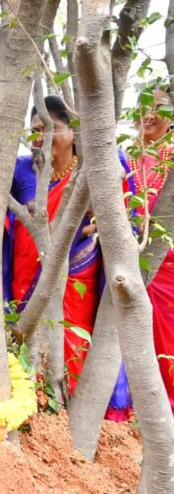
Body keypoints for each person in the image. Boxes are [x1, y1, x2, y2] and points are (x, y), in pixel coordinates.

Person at [8, 95, 101, 395]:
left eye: (51, 128)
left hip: (74, 271)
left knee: (69, 333)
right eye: (35, 129)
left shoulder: (88, 172)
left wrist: (89, 226)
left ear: (74, 132)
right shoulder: (22, 169)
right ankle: (32, 399)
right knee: (27, 335)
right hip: (24, 269)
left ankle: (66, 398)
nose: (41, 137)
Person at [125, 86, 174, 412]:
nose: (150, 114)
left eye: (160, 107)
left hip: (167, 262)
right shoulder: (122, 155)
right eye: (144, 105)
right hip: (122, 259)